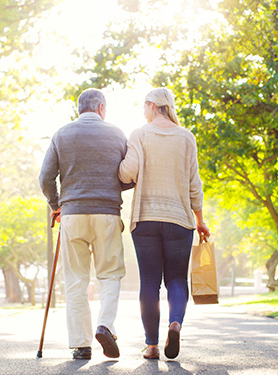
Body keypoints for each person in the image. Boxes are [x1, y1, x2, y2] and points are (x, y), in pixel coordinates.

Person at [39, 88, 131, 360]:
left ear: (79, 108)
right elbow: (129, 174)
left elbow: (45, 178)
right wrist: (112, 185)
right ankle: (105, 325)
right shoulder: (117, 134)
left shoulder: (62, 134)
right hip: (107, 214)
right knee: (110, 273)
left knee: (76, 280)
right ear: (101, 108)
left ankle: (81, 345)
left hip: (73, 214)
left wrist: (56, 205)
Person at [118, 87, 211, 360]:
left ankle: (151, 346)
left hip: (145, 218)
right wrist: (200, 220)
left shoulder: (139, 134)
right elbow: (195, 183)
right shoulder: (186, 138)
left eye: (143, 106)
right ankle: (175, 323)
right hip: (179, 220)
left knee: (149, 281)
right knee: (176, 279)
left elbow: (127, 171)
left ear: (150, 105)